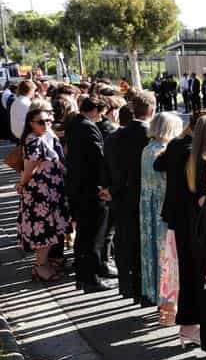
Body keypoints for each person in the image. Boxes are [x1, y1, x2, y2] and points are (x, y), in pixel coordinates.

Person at [157, 111, 206, 350]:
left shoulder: (177, 146)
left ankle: (187, 325)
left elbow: (159, 164)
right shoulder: (203, 159)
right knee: (199, 276)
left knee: (187, 274)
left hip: (177, 220)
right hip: (195, 225)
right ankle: (193, 327)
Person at [16, 100, 72, 283]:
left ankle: (43, 264)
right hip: (40, 195)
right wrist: (21, 184)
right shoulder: (34, 140)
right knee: (45, 232)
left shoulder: (45, 137)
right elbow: (29, 167)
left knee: (52, 230)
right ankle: (39, 266)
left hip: (50, 192)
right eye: (41, 121)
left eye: (49, 120)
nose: (47, 124)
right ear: (31, 123)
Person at [109, 91, 157, 302]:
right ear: (152, 111)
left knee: (125, 243)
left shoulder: (114, 136)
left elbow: (108, 167)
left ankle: (129, 287)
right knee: (144, 246)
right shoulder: (152, 139)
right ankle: (144, 288)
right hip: (144, 198)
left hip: (120, 197)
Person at [64, 95, 114, 292]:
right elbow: (97, 159)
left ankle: (84, 276)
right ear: (94, 110)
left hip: (78, 189)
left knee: (84, 235)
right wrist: (105, 185)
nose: (101, 117)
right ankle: (90, 279)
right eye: (100, 113)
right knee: (93, 236)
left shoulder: (75, 123)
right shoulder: (87, 127)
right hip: (90, 190)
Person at [140, 113, 183, 310]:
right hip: (161, 206)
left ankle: (157, 294)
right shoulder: (164, 151)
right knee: (166, 253)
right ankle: (167, 299)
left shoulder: (147, 149)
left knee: (152, 252)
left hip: (147, 206)